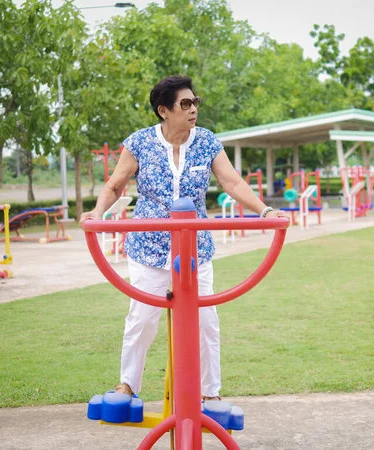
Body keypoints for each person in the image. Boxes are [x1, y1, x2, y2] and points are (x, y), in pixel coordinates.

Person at [80, 75, 285, 401]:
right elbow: (115, 185)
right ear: (164, 110)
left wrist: (265, 211)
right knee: (143, 319)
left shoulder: (206, 142)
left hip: (194, 248)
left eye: (195, 102)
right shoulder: (140, 143)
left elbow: (232, 182)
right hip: (149, 246)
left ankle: (210, 394)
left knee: (206, 320)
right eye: (185, 104)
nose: (193, 110)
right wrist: (97, 214)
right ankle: (128, 386)